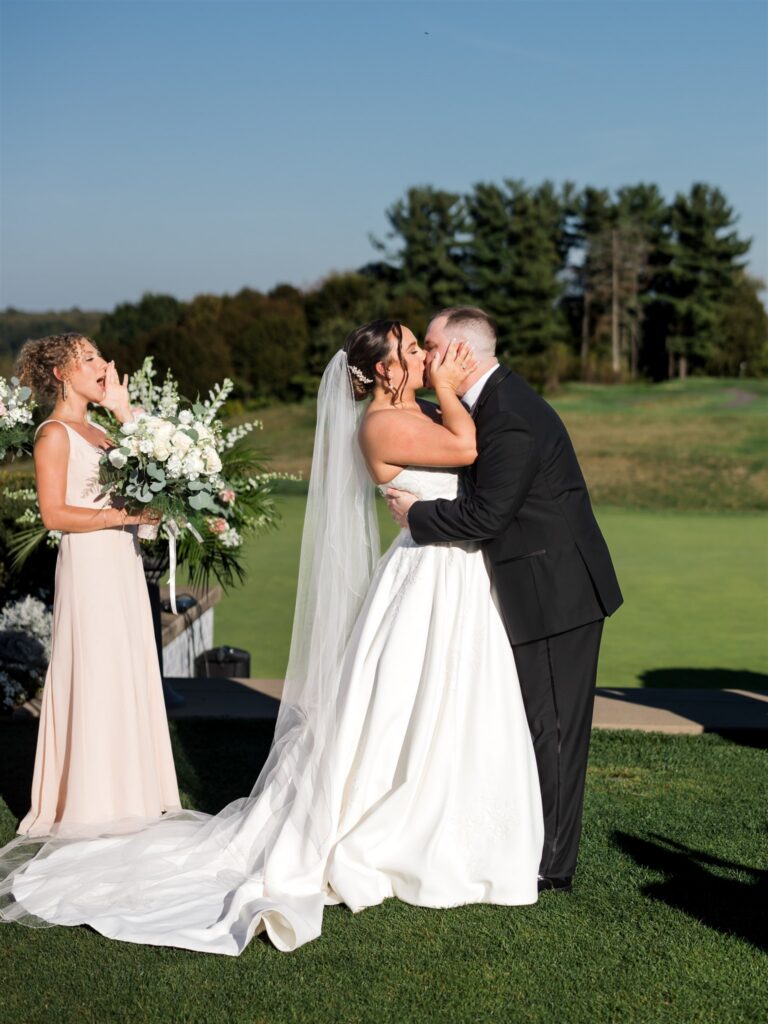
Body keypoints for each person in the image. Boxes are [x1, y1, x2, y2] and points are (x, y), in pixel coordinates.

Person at [0, 321, 543, 954]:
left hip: (447, 575)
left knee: (440, 703)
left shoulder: (409, 409)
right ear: (388, 371)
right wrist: (453, 390)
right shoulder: (385, 423)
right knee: (407, 704)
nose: (427, 356)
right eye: (414, 350)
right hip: (429, 573)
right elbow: (469, 449)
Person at [386, 307, 623, 893]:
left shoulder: (510, 415)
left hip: (555, 594)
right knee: (533, 724)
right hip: (537, 586)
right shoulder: (482, 404)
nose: (427, 358)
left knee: (555, 731)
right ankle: (522, 841)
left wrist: (416, 515)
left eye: (434, 347)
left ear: (462, 354)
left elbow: (486, 514)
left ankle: (552, 867)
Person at [11, 333, 180, 837]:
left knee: (126, 668)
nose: (103, 363)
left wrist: (125, 411)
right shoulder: (54, 434)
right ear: (61, 374)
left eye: (101, 354)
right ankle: (91, 800)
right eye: (88, 359)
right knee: (96, 670)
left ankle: (133, 793)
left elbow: (152, 491)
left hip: (122, 564)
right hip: (88, 567)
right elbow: (53, 513)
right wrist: (120, 515)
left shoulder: (104, 434)